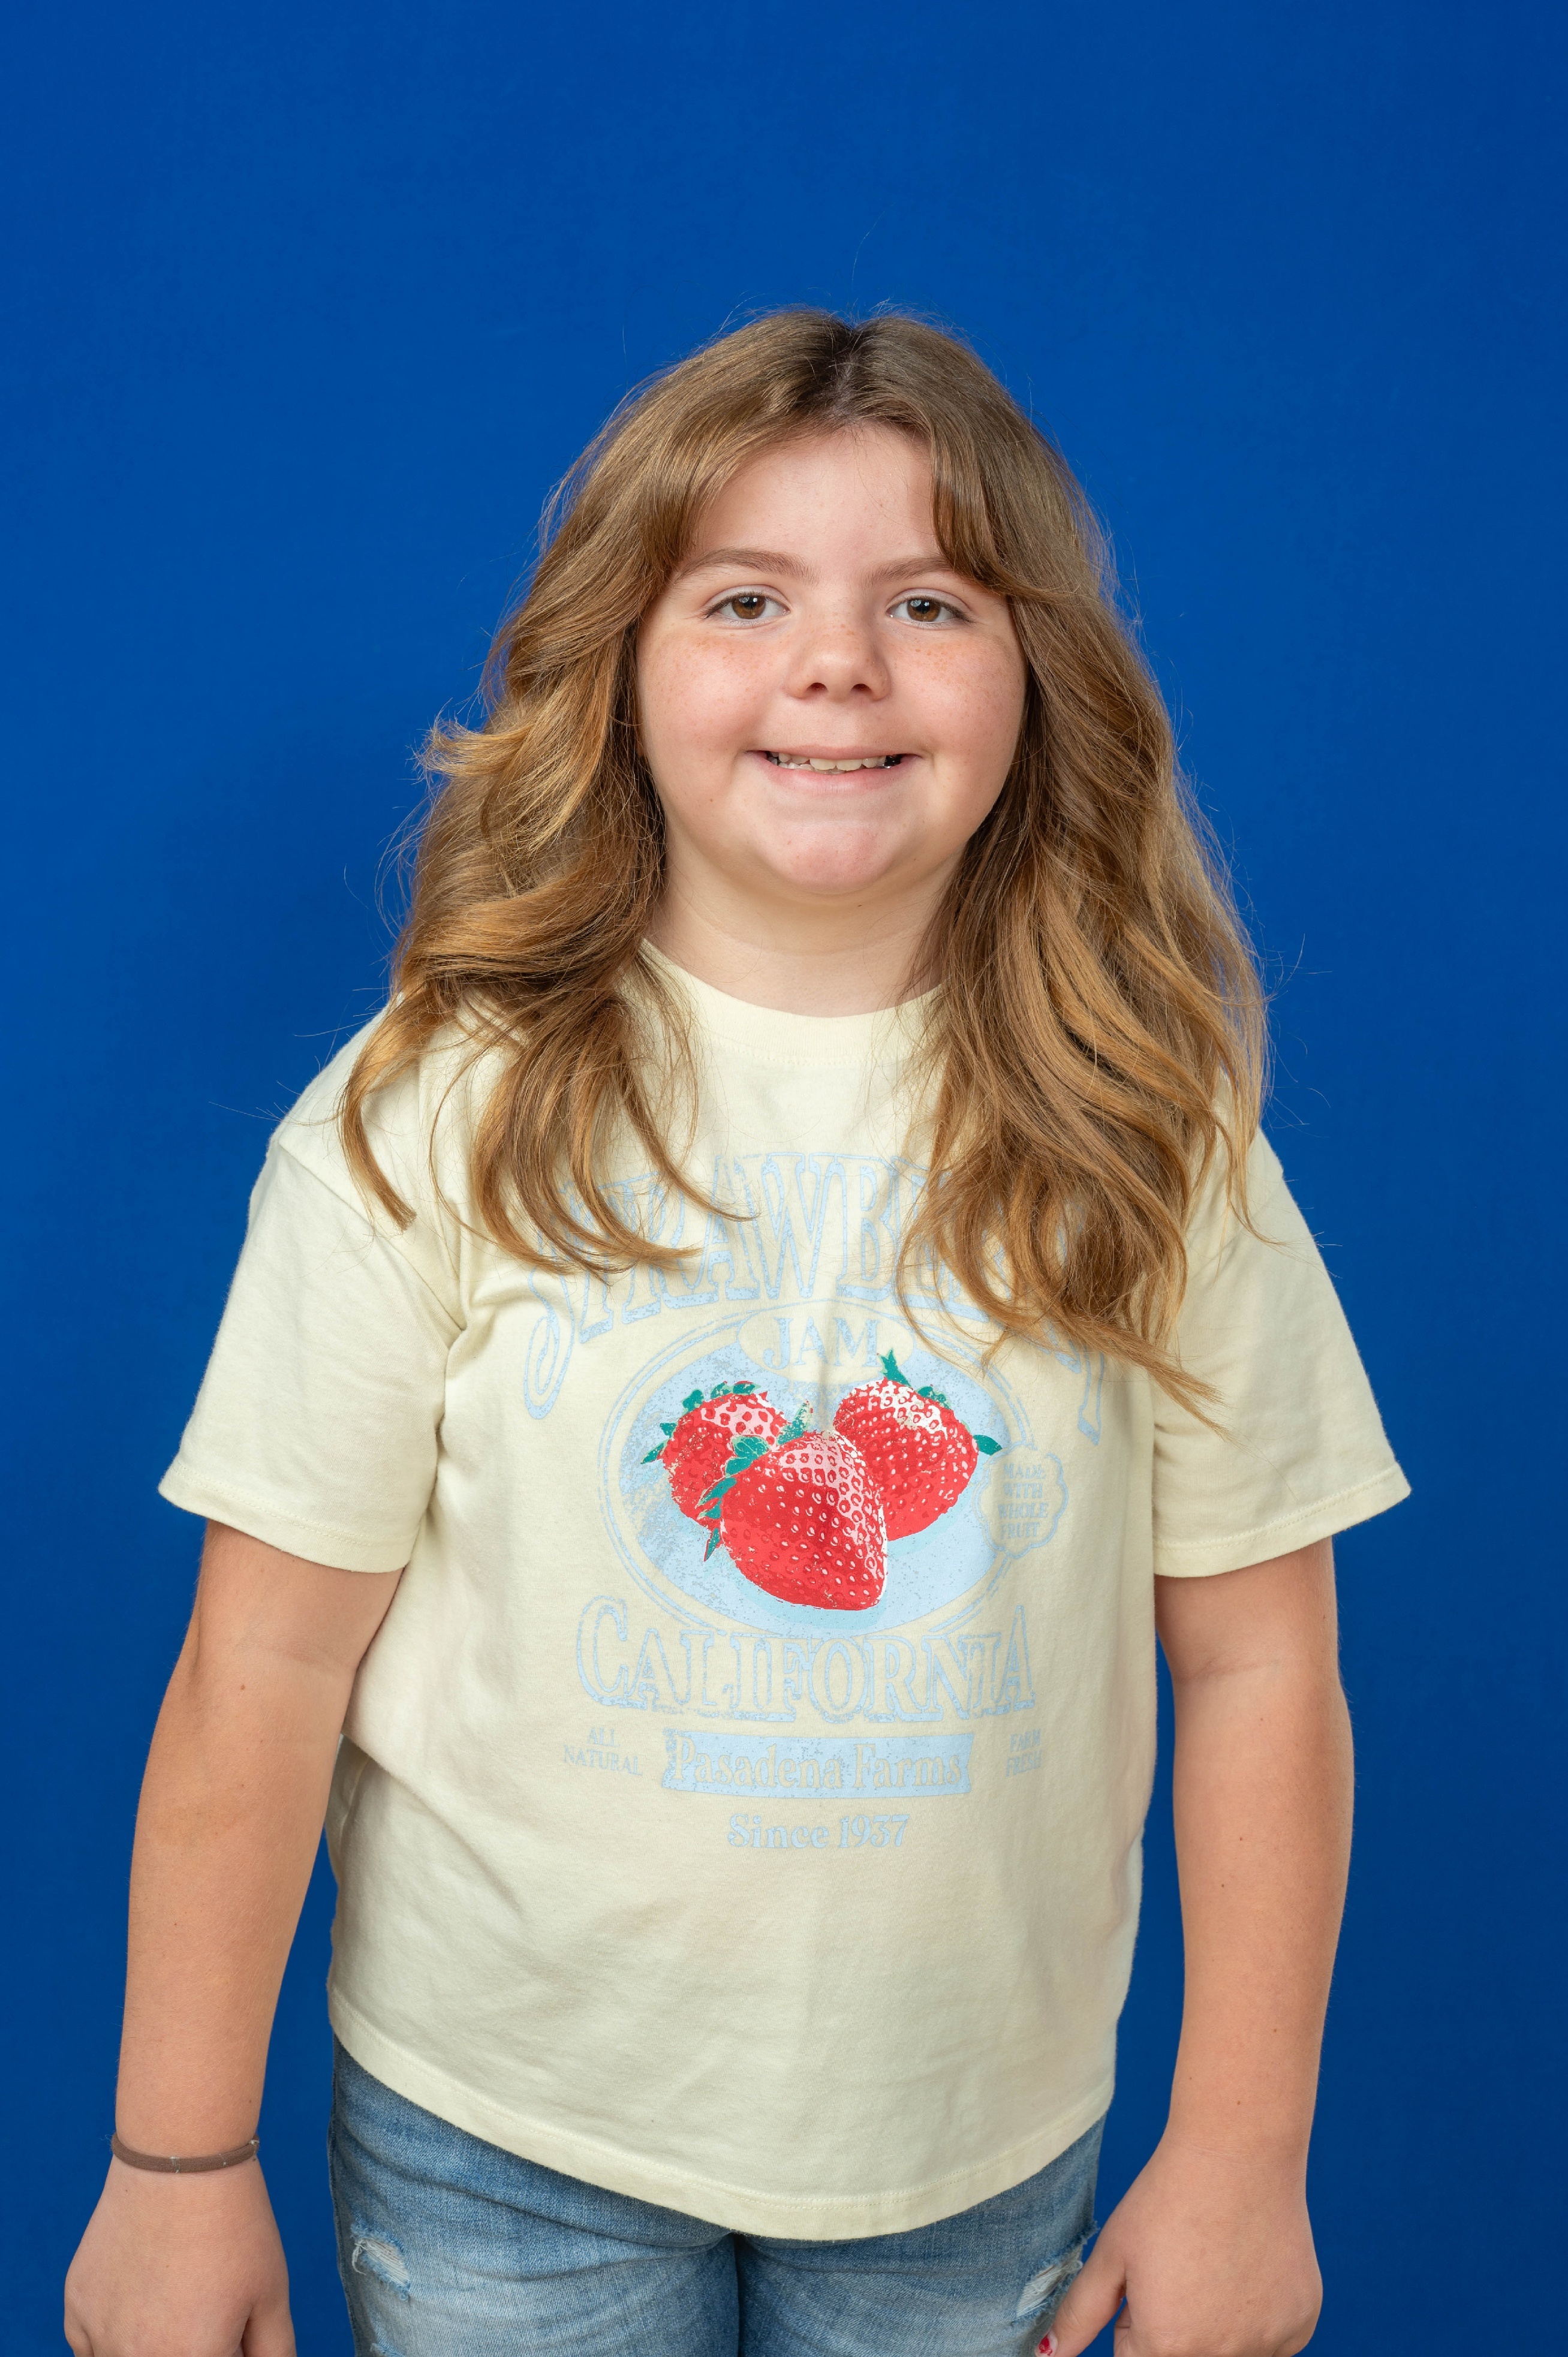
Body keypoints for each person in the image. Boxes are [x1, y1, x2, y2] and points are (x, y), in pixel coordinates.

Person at [64, 309, 1407, 2357]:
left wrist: (1242, 2149)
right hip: (498, 2138)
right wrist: (176, 2162)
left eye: (929, 600)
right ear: (619, 662)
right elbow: (262, 1662)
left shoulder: (1150, 1133)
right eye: (747, 597)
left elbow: (1258, 1663)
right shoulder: (432, 1112)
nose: (837, 661)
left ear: (1039, 672)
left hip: (972, 2147)